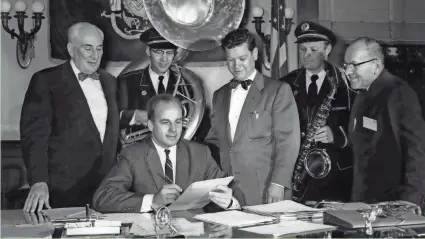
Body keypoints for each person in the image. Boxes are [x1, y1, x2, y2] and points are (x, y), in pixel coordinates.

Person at [20, 22, 119, 212]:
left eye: (99, 48)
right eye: (88, 48)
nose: (95, 55)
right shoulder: (46, 81)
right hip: (62, 190)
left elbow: (111, 130)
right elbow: (34, 138)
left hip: (105, 189)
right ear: (71, 49)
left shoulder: (110, 82)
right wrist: (39, 181)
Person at [93, 94, 240, 212]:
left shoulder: (201, 153)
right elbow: (102, 197)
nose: (173, 130)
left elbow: (226, 190)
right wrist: (152, 201)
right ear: (150, 125)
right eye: (165, 122)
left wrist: (229, 202)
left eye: (177, 122)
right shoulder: (133, 155)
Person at [204, 29, 300, 206]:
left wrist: (278, 183)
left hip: (267, 189)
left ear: (255, 54)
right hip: (229, 191)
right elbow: (214, 142)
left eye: (242, 59)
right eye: (230, 60)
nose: (236, 65)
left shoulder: (278, 90)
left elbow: (288, 142)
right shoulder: (219, 95)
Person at [343, 37, 425, 205]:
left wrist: (410, 202)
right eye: (345, 65)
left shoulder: (399, 93)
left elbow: (416, 152)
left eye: (354, 65)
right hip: (365, 203)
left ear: (376, 65)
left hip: (393, 206)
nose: (347, 71)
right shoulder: (363, 95)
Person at [280, 21, 354, 203]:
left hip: (335, 176)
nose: (307, 55)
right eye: (303, 49)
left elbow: (362, 128)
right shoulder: (285, 84)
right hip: (296, 173)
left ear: (327, 49)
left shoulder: (347, 84)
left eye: (314, 49)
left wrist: (336, 135)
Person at [118, 28, 184, 134]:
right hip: (139, 148)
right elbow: (110, 119)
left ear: (175, 54)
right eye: (158, 52)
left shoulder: (185, 84)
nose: (164, 59)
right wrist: (134, 115)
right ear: (148, 51)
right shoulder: (127, 81)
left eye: (169, 53)